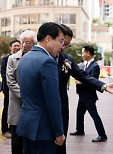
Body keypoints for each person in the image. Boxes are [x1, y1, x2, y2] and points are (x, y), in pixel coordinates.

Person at [56, 24, 113, 154]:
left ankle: (101, 134)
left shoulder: (67, 59)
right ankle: (80, 129)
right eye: (62, 42)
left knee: (61, 142)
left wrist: (103, 86)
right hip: (44, 111)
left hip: (79, 100)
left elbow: (84, 76)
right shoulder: (38, 58)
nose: (64, 47)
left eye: (67, 44)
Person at [16, 22, 66, 154]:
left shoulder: (25, 59)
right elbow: (53, 100)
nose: (62, 46)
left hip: (26, 125)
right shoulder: (47, 62)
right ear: (48, 38)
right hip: (43, 130)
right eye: (60, 41)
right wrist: (59, 132)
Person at [6, 30, 37, 154]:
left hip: (33, 105)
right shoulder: (12, 59)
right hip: (17, 104)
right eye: (22, 42)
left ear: (33, 44)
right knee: (16, 139)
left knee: (31, 140)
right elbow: (10, 81)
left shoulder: (37, 58)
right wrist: (25, 95)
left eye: (27, 42)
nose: (23, 45)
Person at [71, 45, 107, 142]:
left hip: (89, 96)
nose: (82, 55)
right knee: (79, 113)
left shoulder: (95, 66)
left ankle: (102, 135)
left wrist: (80, 82)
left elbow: (93, 81)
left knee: (94, 115)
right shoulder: (85, 65)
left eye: (83, 52)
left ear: (88, 53)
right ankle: (80, 130)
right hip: (82, 95)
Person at [0, 39, 20, 138]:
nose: (16, 47)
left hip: (17, 88)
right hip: (8, 88)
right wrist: (10, 83)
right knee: (7, 107)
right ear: (10, 47)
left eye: (18, 45)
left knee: (15, 108)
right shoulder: (5, 58)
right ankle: (4, 129)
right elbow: (4, 74)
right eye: (14, 46)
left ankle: (13, 128)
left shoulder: (22, 57)